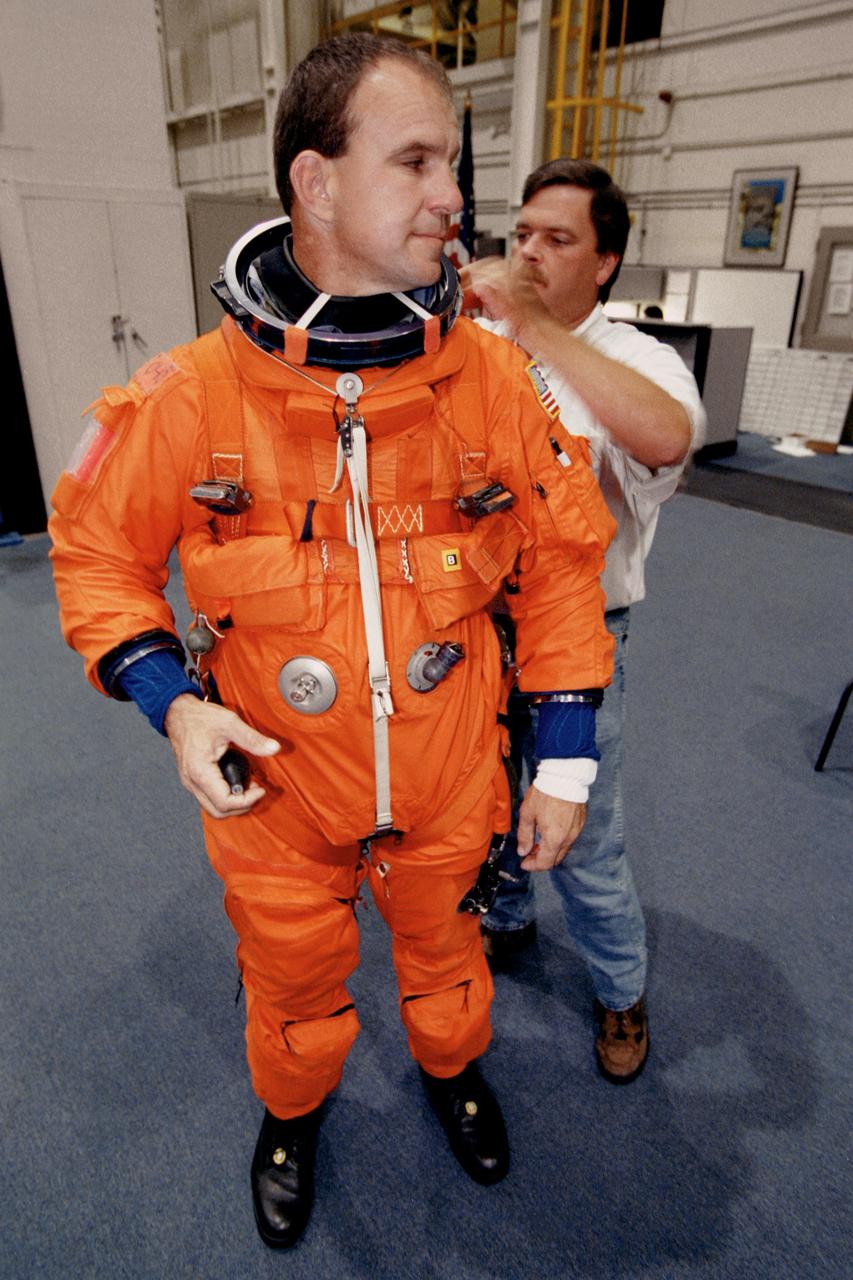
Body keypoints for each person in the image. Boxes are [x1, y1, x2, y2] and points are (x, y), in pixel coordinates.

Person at [49, 39, 616, 1249]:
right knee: (294, 986)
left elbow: (565, 563)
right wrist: (172, 700)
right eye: (414, 160)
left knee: (450, 964)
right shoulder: (188, 398)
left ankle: (455, 1072)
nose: (453, 196)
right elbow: (96, 556)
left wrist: (562, 758)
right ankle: (292, 1110)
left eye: (452, 163)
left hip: (450, 770)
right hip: (275, 782)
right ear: (313, 183)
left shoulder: (496, 385)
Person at [461, 159, 705, 1085]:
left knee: (585, 840)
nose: (527, 252)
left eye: (556, 240)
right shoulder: (476, 345)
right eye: (521, 234)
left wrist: (528, 323)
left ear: (604, 263)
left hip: (578, 642)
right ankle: (507, 920)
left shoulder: (635, 358)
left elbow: (664, 436)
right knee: (487, 813)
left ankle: (619, 992)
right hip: (472, 636)